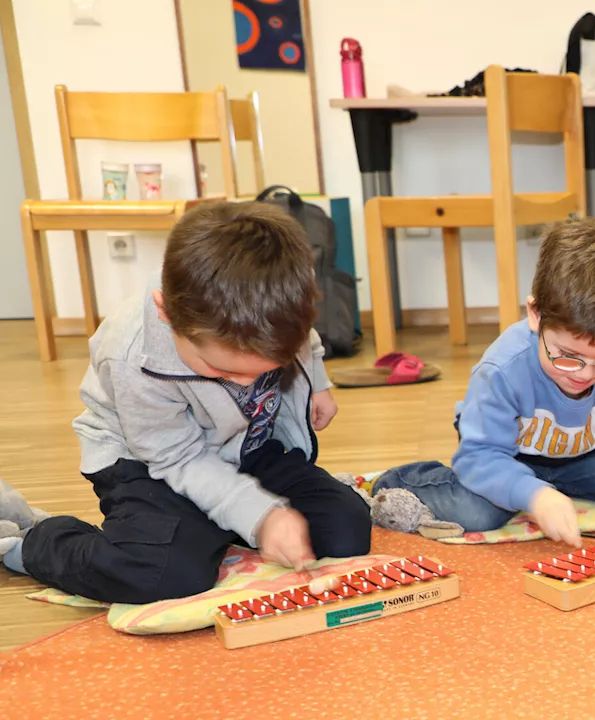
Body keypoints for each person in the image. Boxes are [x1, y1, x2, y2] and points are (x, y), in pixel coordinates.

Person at [4, 202, 371, 603]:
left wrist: (316, 381)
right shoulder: (131, 356)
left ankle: (215, 524)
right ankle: (35, 542)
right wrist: (262, 516)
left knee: (345, 528)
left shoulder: (273, 305)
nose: (249, 385)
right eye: (222, 370)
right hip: (151, 462)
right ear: (166, 313)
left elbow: (304, 336)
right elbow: (177, 459)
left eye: (267, 368)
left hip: (245, 446)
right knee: (163, 575)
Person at [375, 218, 595, 548]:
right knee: (476, 513)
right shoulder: (502, 368)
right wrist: (535, 495)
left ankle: (556, 489)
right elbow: (481, 456)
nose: (584, 374)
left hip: (586, 457)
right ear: (535, 316)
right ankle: (403, 480)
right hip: (505, 455)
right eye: (568, 356)